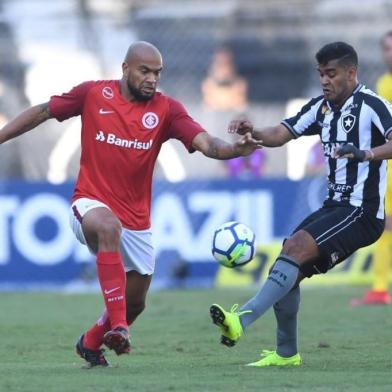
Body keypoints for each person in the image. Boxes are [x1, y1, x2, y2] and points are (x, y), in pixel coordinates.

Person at [0, 41, 261, 368]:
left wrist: (236, 150)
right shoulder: (93, 95)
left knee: (136, 302)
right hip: (89, 204)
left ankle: (91, 343)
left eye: (157, 73)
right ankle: (120, 327)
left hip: (136, 221)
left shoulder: (167, 110)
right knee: (110, 230)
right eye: (145, 71)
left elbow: (206, 142)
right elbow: (42, 111)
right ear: (125, 69)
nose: (152, 78)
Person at [209, 42, 392, 367]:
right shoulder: (322, 107)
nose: (324, 80)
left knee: (294, 248)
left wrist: (366, 153)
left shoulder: (372, 106)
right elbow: (282, 133)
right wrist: (254, 133)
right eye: (321, 73)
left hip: (362, 211)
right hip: (335, 206)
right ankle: (286, 353)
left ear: (351, 73)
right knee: (287, 260)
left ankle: (242, 321)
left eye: (331, 74)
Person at [351, 31, 392, 305]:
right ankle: (379, 288)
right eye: (387, 49)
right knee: (387, 224)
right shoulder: (384, 83)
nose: (390, 54)